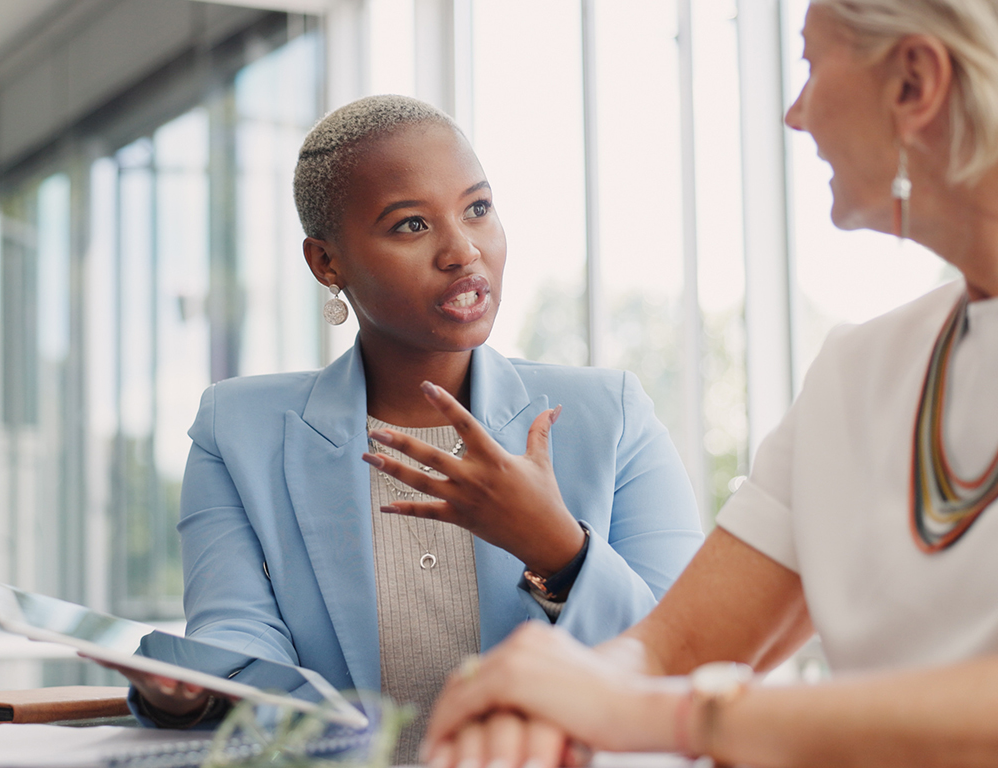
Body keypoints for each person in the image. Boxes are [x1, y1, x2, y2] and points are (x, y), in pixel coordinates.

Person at [373, 2, 998, 766]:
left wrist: (677, 719)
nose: (794, 113)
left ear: (913, 82)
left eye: (809, 63)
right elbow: (668, 651)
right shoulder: (855, 375)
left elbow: (662, 698)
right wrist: (545, 700)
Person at [111, 95, 703, 762]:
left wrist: (561, 552)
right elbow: (241, 650)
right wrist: (187, 692)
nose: (461, 250)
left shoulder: (609, 415)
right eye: (411, 225)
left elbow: (691, 661)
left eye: (478, 208)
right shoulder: (237, 433)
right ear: (326, 263)